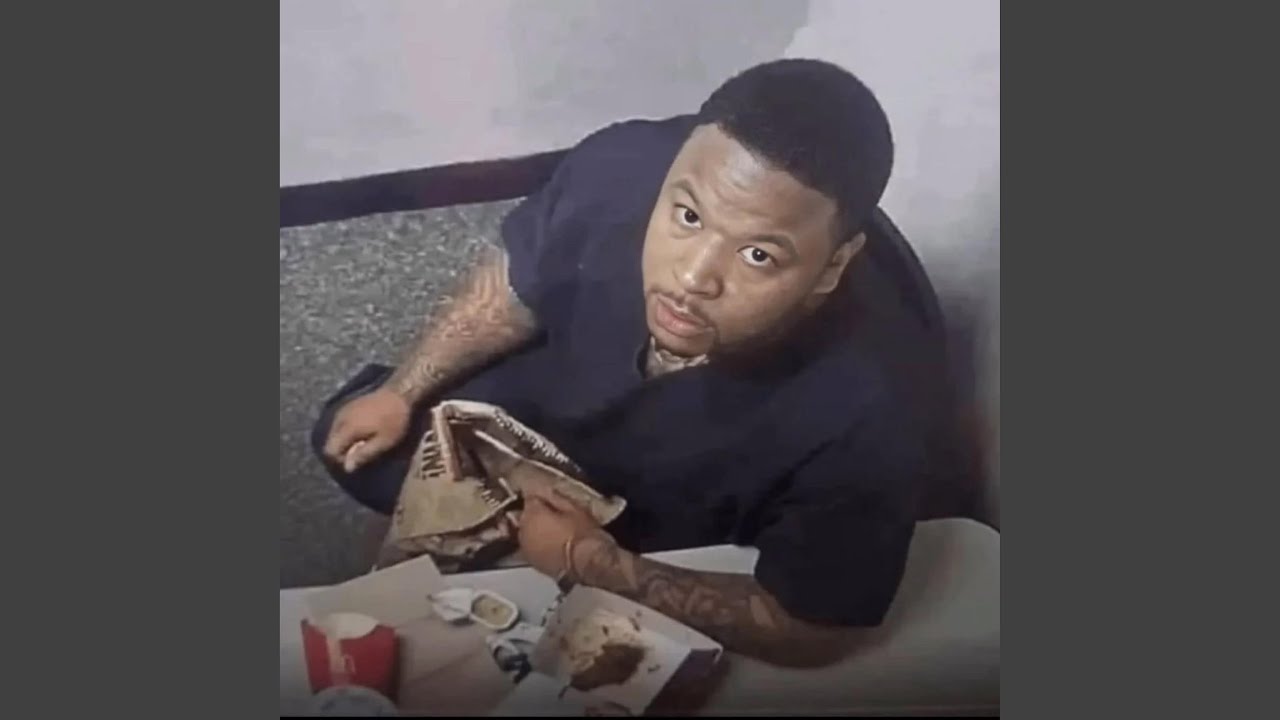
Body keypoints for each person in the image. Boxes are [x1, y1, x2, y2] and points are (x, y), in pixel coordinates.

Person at [312, 59, 954, 668]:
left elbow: (816, 629)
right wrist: (403, 389)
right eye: (688, 216)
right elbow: (515, 284)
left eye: (758, 256)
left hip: (696, 493)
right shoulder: (624, 165)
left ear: (833, 265)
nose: (693, 278)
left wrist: (592, 563)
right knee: (360, 444)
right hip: (571, 393)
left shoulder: (873, 404)